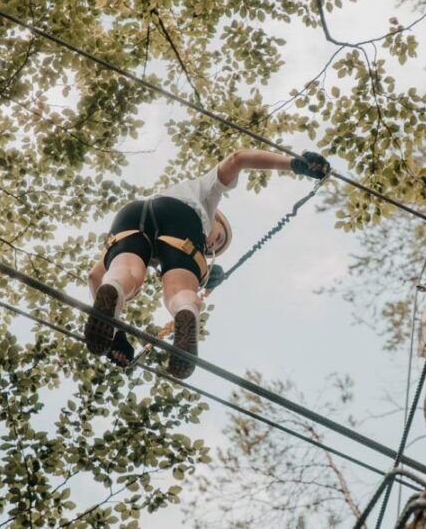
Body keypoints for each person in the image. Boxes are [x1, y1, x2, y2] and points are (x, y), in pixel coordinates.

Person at [85, 149, 330, 378]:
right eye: (218, 238)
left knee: (125, 273)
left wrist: (115, 335)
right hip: (178, 216)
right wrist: (295, 164)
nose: (212, 245)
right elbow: (238, 158)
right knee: (179, 291)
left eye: (215, 248)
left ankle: (116, 289)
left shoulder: (173, 199)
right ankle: (186, 311)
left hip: (131, 215)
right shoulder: (205, 195)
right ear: (218, 220)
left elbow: (94, 277)